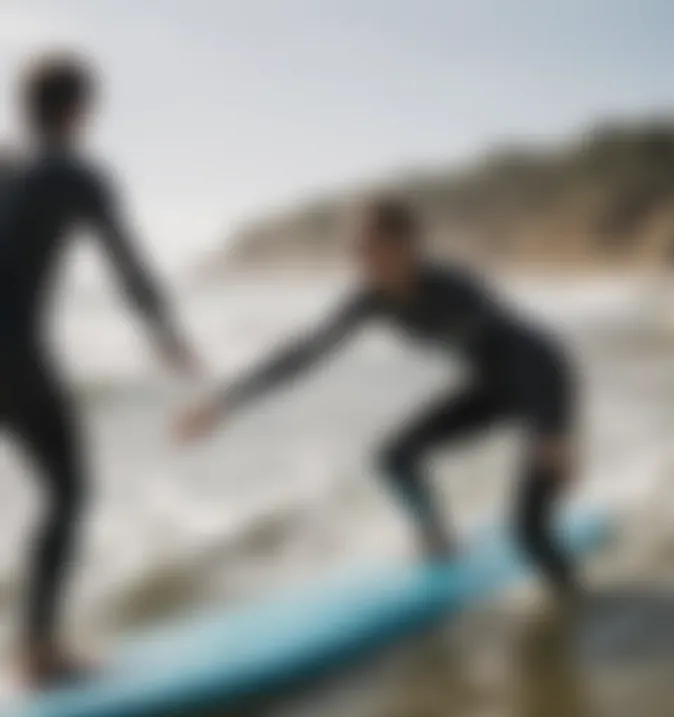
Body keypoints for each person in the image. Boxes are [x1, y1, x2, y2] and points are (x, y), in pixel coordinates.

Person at [175, 197, 578, 597]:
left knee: (528, 530)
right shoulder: (370, 299)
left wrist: (552, 430)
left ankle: (574, 604)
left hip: (542, 382)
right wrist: (223, 403)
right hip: (491, 387)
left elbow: (524, 352)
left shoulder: (454, 287)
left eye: (368, 246)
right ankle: (438, 540)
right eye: (354, 248)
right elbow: (303, 355)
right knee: (393, 456)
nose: (358, 257)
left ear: (406, 244)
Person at [0, 54, 197, 686]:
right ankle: (39, 652)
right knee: (68, 491)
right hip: (12, 353)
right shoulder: (81, 176)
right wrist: (166, 333)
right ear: (81, 109)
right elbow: (126, 264)